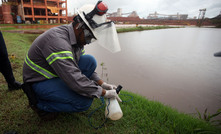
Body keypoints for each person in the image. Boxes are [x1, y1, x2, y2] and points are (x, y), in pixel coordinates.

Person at [22, 1, 121, 120]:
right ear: (79, 26)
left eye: (92, 39)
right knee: (84, 102)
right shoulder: (57, 42)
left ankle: (60, 93)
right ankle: (39, 104)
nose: (88, 42)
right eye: (89, 37)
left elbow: (78, 67)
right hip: (38, 82)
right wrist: (104, 93)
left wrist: (103, 84)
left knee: (90, 61)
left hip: (55, 74)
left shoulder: (77, 40)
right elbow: (74, 79)